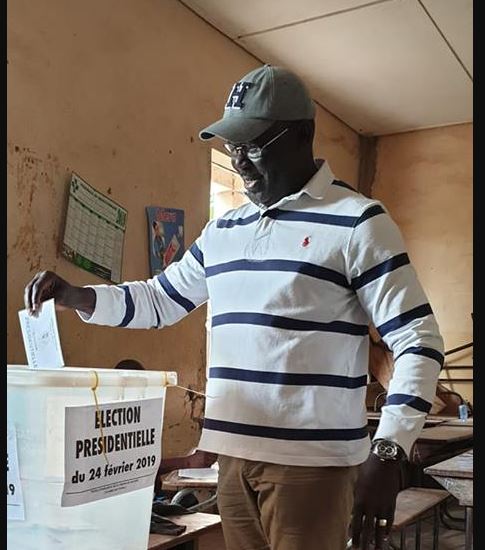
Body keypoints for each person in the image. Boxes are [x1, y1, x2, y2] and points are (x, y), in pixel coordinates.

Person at [24, 64, 444, 550]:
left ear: (303, 136)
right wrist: (77, 296)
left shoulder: (357, 223)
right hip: (230, 457)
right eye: (232, 147)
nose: (240, 162)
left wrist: (389, 450)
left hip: (311, 468)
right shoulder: (224, 230)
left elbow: (418, 340)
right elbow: (160, 300)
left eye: (254, 145)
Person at [113, 358, 217, 496]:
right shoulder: (114, 422)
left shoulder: (139, 415)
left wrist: (190, 461)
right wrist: (187, 463)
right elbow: (132, 468)